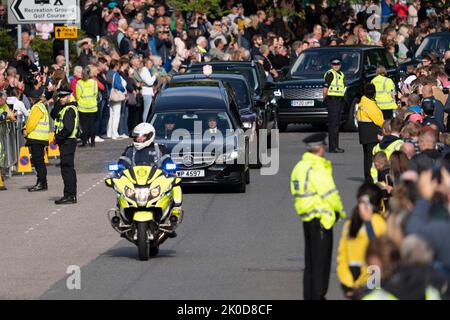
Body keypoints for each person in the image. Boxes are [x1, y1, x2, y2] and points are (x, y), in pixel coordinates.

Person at [290, 133, 345, 300]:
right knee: (322, 263)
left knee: (311, 263)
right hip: (322, 219)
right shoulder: (317, 167)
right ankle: (319, 296)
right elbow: (329, 193)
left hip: (307, 217)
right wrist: (339, 212)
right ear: (320, 148)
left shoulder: (300, 166)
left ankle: (310, 296)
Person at [117, 122, 182, 237]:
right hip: (136, 181)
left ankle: (172, 218)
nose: (139, 138)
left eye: (141, 136)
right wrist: (118, 169)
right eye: (137, 136)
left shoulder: (159, 148)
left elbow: (167, 161)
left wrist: (170, 166)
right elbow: (122, 162)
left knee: (175, 186)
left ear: (149, 136)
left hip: (154, 181)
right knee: (120, 191)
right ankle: (123, 220)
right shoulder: (130, 150)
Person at [337, 183, 387, 299]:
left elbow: (379, 254)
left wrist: (372, 286)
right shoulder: (350, 225)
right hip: (354, 283)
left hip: (372, 284)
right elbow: (342, 257)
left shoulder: (379, 224)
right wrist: (348, 285)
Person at [52, 87, 78, 205]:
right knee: (69, 169)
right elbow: (53, 114)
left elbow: (68, 128)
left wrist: (57, 138)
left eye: (63, 97)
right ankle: (71, 195)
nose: (61, 99)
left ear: (68, 96)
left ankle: (69, 195)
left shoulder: (69, 110)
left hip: (67, 142)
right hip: (68, 142)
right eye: (60, 97)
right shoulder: (67, 108)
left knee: (66, 169)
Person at [356, 84, 384, 182]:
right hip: (371, 131)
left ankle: (367, 176)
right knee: (371, 156)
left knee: (367, 155)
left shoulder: (362, 102)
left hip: (363, 132)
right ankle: (371, 177)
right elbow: (379, 120)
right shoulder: (370, 104)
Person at [22, 90, 49, 192]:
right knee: (39, 161)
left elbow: (32, 123)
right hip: (40, 138)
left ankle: (41, 183)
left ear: (32, 99)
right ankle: (42, 182)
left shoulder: (37, 108)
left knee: (38, 162)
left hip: (37, 138)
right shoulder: (41, 106)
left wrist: (26, 131)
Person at [323, 58, 345, 153]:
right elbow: (325, 89)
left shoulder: (341, 74)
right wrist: (326, 100)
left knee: (336, 124)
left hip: (339, 101)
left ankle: (335, 146)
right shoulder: (330, 73)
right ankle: (333, 147)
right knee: (333, 125)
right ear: (331, 65)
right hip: (332, 100)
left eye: (338, 64)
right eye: (334, 64)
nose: (336, 65)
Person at [76, 66, 98, 147]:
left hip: (82, 107)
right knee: (92, 125)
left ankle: (84, 142)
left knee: (84, 126)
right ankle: (92, 142)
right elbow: (96, 93)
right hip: (92, 107)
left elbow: (78, 96)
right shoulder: (94, 82)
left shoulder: (79, 83)